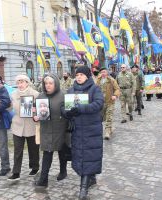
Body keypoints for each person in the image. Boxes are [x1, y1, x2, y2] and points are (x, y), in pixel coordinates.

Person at [64, 66, 104, 200]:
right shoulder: (71, 90)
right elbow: (64, 107)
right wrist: (67, 112)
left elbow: (98, 104)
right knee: (80, 157)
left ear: (87, 76)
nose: (79, 77)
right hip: (77, 131)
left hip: (91, 130)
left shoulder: (95, 89)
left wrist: (81, 108)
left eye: (81, 74)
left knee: (89, 156)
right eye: (77, 75)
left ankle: (83, 189)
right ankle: (91, 179)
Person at [34, 73, 68, 187]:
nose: (48, 85)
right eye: (46, 83)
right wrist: (35, 116)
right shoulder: (40, 96)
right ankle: (43, 180)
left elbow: (69, 112)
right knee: (47, 153)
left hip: (60, 129)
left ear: (56, 84)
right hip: (46, 130)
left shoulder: (63, 95)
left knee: (61, 152)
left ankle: (63, 171)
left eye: (50, 83)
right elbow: (35, 111)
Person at [7, 74, 40, 181]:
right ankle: (16, 172)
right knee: (18, 150)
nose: (20, 84)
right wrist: (2, 103)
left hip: (31, 125)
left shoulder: (35, 94)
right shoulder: (13, 94)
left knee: (33, 149)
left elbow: (41, 108)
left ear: (27, 82)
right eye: (18, 82)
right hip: (17, 125)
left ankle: (35, 167)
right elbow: (9, 107)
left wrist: (36, 110)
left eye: (22, 82)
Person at [96, 67, 120, 140]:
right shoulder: (98, 80)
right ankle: (110, 128)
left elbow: (117, 89)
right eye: (101, 72)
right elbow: (95, 89)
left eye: (104, 72)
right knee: (103, 118)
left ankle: (107, 132)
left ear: (107, 73)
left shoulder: (111, 80)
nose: (103, 73)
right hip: (101, 102)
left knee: (109, 116)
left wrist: (115, 95)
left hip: (110, 101)